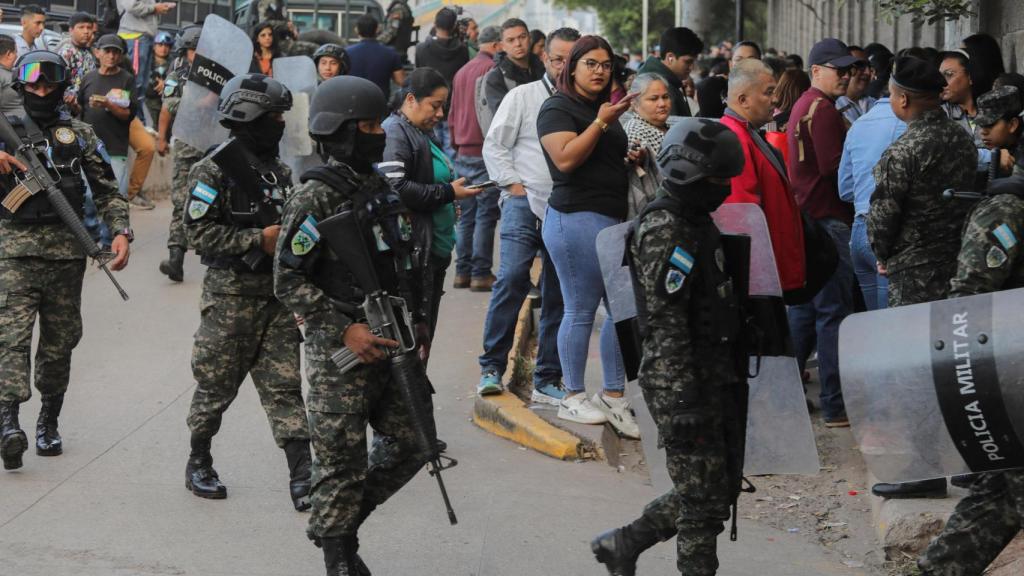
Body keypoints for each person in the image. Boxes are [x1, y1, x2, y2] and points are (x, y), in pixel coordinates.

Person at [274, 75, 431, 576]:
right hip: (342, 346)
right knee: (340, 460)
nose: (376, 134)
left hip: (393, 339)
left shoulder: (381, 188)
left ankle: (337, 523)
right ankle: (338, 556)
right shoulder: (314, 198)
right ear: (337, 131)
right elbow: (288, 278)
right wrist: (342, 329)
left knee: (415, 443)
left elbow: (403, 260)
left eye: (375, 125)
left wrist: (419, 320)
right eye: (364, 126)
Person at [591, 117, 745, 576]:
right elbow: (666, 321)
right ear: (686, 174)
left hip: (708, 370)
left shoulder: (697, 220)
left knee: (715, 489)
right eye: (717, 180)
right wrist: (681, 399)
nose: (723, 188)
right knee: (701, 502)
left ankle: (626, 542)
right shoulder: (666, 227)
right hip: (679, 377)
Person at [180, 72, 312, 511]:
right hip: (231, 299)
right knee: (215, 387)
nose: (279, 124)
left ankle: (302, 474)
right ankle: (198, 460)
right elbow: (197, 232)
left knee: (285, 387)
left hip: (276, 298)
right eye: (274, 117)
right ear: (250, 116)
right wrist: (257, 240)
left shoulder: (279, 172)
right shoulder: (213, 169)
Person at [0, 50, 131, 471]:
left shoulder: (80, 134)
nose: (42, 91)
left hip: (66, 257)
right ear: (21, 87)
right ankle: (8, 424)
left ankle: (48, 420)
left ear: (61, 87)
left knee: (59, 345)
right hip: (13, 253)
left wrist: (121, 232)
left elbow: (108, 190)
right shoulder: (5, 131)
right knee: (10, 341)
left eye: (49, 85)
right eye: (34, 85)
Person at [915, 99, 1024, 576]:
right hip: (1012, 376)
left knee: (998, 495)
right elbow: (968, 301)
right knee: (999, 491)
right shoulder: (1007, 208)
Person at [866, 56, 978, 500]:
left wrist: (882, 253)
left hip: (913, 273)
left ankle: (924, 471)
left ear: (904, 99)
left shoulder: (905, 150)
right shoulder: (962, 138)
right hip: (960, 269)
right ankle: (973, 462)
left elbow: (882, 217)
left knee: (914, 374)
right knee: (959, 370)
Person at [537, 35, 638, 436]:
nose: (600, 71)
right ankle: (572, 397)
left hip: (612, 218)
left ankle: (613, 397)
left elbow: (600, 155)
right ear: (572, 67)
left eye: (606, 64)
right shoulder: (557, 108)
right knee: (579, 309)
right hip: (574, 217)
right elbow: (565, 159)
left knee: (619, 311)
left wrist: (629, 155)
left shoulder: (601, 109)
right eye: (591, 63)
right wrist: (600, 123)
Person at [477, 27, 579, 399]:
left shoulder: (586, 104)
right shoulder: (523, 96)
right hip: (523, 201)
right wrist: (514, 186)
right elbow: (495, 146)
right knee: (512, 278)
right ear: (545, 58)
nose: (564, 66)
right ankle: (491, 367)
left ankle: (547, 378)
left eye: (573, 60)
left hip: (567, 208)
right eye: (557, 59)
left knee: (558, 292)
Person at [785, 37, 858, 427]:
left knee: (804, 311)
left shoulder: (804, 105)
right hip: (828, 222)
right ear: (817, 71)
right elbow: (836, 172)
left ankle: (786, 400)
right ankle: (834, 405)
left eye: (848, 70)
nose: (846, 76)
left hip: (807, 220)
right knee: (832, 313)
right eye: (838, 70)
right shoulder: (824, 110)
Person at [382, 68, 479, 340]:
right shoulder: (395, 133)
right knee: (414, 340)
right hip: (415, 255)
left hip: (432, 253)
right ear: (411, 99)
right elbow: (396, 189)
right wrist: (447, 193)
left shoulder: (420, 131)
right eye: (435, 106)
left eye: (443, 107)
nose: (440, 114)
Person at [721, 58, 806, 293]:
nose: (775, 100)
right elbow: (742, 216)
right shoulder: (735, 139)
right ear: (743, 100)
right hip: (758, 279)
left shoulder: (746, 134)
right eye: (769, 92)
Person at [838, 79, 907, 311]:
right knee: (890, 323)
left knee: (874, 321)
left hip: (858, 231)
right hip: (887, 231)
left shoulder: (857, 125)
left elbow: (845, 189)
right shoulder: (908, 123)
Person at [449, 25, 500, 291]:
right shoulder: (491, 70)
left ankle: (462, 272)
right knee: (485, 215)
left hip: (462, 150)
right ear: (495, 45)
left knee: (467, 216)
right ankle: (480, 273)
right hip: (483, 150)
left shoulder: (462, 72)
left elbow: (452, 113)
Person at [157, 25, 204, 283]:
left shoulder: (218, 75)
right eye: (193, 50)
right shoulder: (178, 74)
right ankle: (176, 258)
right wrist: (198, 100)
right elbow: (169, 103)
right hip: (188, 145)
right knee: (181, 202)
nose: (196, 55)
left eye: (201, 50)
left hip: (216, 147)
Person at [78, 34, 135, 198]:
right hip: (89, 149)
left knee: (116, 197)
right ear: (97, 53)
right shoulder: (89, 78)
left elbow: (127, 115)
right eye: (107, 51)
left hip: (115, 148)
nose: (111, 56)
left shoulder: (126, 79)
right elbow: (80, 109)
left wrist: (108, 104)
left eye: (116, 52)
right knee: (88, 197)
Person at [414, 8, 469, 156]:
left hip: (428, 106)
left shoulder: (421, 49)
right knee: (451, 151)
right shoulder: (463, 50)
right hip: (454, 107)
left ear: (435, 24)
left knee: (431, 150)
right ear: (454, 26)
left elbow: (418, 76)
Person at [624, 73, 671, 218]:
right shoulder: (635, 132)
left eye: (665, 97)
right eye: (653, 98)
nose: (662, 104)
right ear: (634, 103)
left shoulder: (665, 127)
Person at [117, 0, 176, 110]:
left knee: (141, 86)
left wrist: (158, 7)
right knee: (135, 83)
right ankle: (130, 119)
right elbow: (131, 6)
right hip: (134, 36)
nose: (164, 48)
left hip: (143, 37)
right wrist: (154, 8)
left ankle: (137, 119)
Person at [483, 18, 544, 117]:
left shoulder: (544, 69)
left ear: (530, 39)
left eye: (522, 37)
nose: (518, 44)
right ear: (502, 46)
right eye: (511, 40)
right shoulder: (496, 78)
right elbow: (503, 117)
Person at [638, 27, 703, 117]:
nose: (691, 67)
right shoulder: (660, 87)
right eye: (688, 62)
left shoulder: (658, 79)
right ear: (670, 58)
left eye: (693, 62)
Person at [347, 15, 405, 97]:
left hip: (352, 103)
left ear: (356, 30)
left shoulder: (348, 52)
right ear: (377, 29)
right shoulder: (390, 53)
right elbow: (401, 81)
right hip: (380, 102)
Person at [977, 86, 1024, 177]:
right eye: (981, 125)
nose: (983, 132)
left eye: (990, 125)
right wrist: (992, 157)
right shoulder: (988, 145)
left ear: (1012, 125)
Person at [55, 11, 97, 113]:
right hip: (66, 110)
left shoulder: (89, 52)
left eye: (89, 27)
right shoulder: (66, 52)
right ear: (71, 30)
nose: (86, 31)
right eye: (81, 27)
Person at [834, 46, 874, 125]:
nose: (868, 72)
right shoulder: (833, 106)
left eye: (869, 66)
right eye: (860, 65)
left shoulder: (876, 104)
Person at [144, 31, 174, 130]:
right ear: (154, 46)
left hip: (166, 105)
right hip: (148, 103)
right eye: (160, 45)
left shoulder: (174, 64)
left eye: (167, 45)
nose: (163, 48)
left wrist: (165, 84)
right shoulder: (146, 61)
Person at [0, 36, 22, 115]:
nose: (17, 55)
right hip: (13, 125)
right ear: (9, 54)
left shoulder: (13, 72)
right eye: (16, 52)